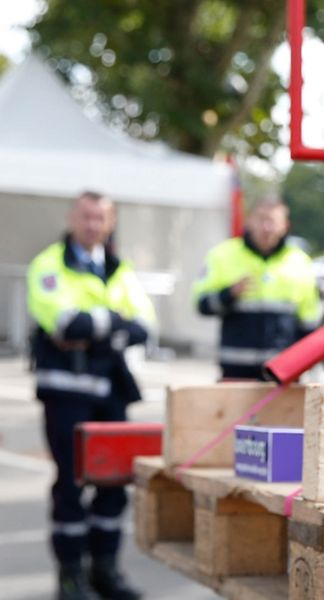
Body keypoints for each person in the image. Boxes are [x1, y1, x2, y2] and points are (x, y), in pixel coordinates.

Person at [27, 191, 155, 600]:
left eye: (100, 217)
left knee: (114, 483)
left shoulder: (119, 268)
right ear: (72, 218)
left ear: (111, 222)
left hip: (112, 394)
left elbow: (145, 326)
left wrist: (97, 326)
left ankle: (105, 572)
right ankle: (70, 578)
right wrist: (116, 324)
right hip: (66, 394)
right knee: (70, 485)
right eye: (85, 216)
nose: (92, 224)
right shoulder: (49, 264)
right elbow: (64, 323)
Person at [193, 198, 320, 380]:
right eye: (261, 219)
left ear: (285, 226)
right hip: (236, 373)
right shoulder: (222, 255)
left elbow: (308, 323)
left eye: (272, 221)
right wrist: (228, 294)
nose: (266, 227)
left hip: (283, 375)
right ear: (249, 221)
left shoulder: (300, 262)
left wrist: (307, 365)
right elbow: (201, 305)